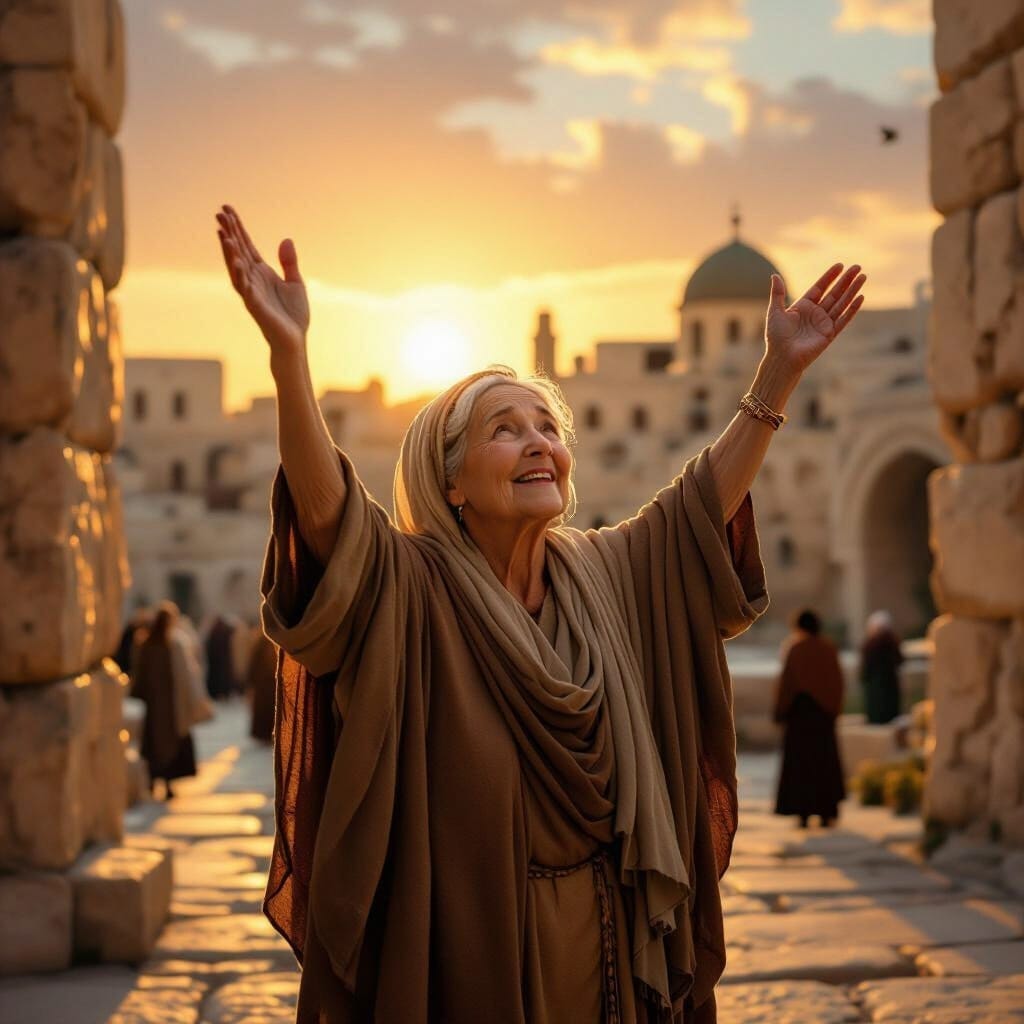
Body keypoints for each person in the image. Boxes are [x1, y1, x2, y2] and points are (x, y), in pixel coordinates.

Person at [216, 204, 865, 1023]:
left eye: (547, 428)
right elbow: (328, 520)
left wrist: (779, 376)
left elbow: (697, 509)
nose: (538, 443)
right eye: (504, 430)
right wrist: (289, 360)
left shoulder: (606, 572)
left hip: (610, 950)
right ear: (450, 481)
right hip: (470, 954)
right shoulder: (413, 588)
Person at [772, 609, 846, 828]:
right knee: (824, 763)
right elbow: (837, 683)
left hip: (800, 716)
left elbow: (786, 683)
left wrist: (779, 711)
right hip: (822, 717)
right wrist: (833, 709)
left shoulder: (795, 649)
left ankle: (803, 812)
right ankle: (826, 812)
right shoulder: (828, 649)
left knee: (801, 765)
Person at [130, 601, 203, 799]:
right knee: (167, 746)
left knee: (155, 747)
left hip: (156, 708)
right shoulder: (172, 645)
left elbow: (140, 677)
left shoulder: (148, 645)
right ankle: (166, 784)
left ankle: (155, 781)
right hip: (169, 708)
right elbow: (187, 677)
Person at [860, 609, 903, 724]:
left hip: (877, 686)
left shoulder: (870, 644)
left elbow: (866, 667)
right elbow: (900, 660)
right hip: (888, 684)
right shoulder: (892, 642)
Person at [245, 624, 278, 744]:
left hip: (264, 684)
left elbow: (252, 665)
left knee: (267, 710)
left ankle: (266, 733)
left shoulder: (259, 641)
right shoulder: (271, 640)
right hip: (269, 683)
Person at [205, 612, 240, 700]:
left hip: (218, 661)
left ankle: (220, 693)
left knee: (220, 677)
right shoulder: (222, 631)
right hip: (221, 661)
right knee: (221, 677)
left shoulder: (215, 631)